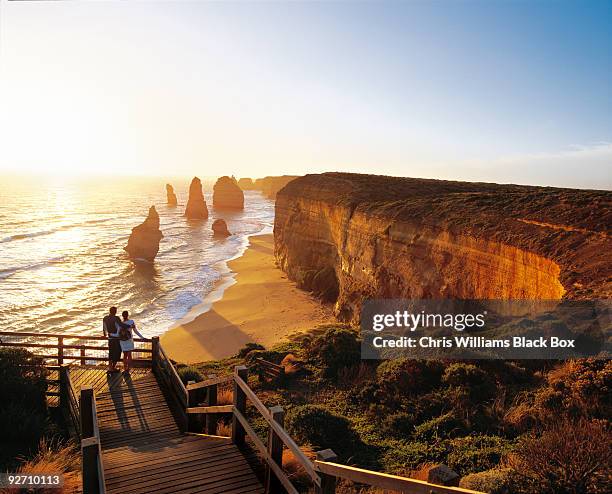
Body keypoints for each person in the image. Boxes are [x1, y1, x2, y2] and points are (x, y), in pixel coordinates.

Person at [102, 307, 130, 373]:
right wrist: (129, 326)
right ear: (115, 311)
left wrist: (105, 335)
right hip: (116, 338)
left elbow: (104, 327)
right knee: (117, 353)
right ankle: (113, 367)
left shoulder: (105, 318)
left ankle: (110, 368)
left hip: (110, 338)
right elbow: (121, 325)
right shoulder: (116, 318)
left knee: (111, 353)